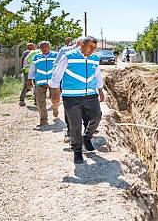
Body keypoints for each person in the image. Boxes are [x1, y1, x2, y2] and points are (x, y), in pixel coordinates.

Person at [49, 36, 104, 164]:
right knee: (75, 125)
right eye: (90, 47)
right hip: (71, 97)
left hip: (90, 94)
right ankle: (77, 151)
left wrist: (100, 89)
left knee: (97, 116)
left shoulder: (95, 58)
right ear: (82, 45)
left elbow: (97, 75)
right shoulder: (68, 56)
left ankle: (87, 137)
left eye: (95, 48)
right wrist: (55, 92)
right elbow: (57, 74)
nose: (93, 50)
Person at [54, 37, 90, 144]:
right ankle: (70, 132)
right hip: (69, 87)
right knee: (70, 110)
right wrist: (58, 84)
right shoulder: (65, 51)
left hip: (85, 86)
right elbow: (57, 66)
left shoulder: (89, 52)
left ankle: (87, 131)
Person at [28, 41, 59, 126]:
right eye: (42, 47)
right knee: (40, 101)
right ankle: (43, 119)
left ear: (50, 47)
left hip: (53, 81)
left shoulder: (56, 55)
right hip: (40, 81)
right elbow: (32, 69)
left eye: (46, 47)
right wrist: (30, 80)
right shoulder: (36, 57)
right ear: (40, 48)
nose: (44, 49)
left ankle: (55, 107)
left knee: (55, 98)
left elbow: (60, 68)